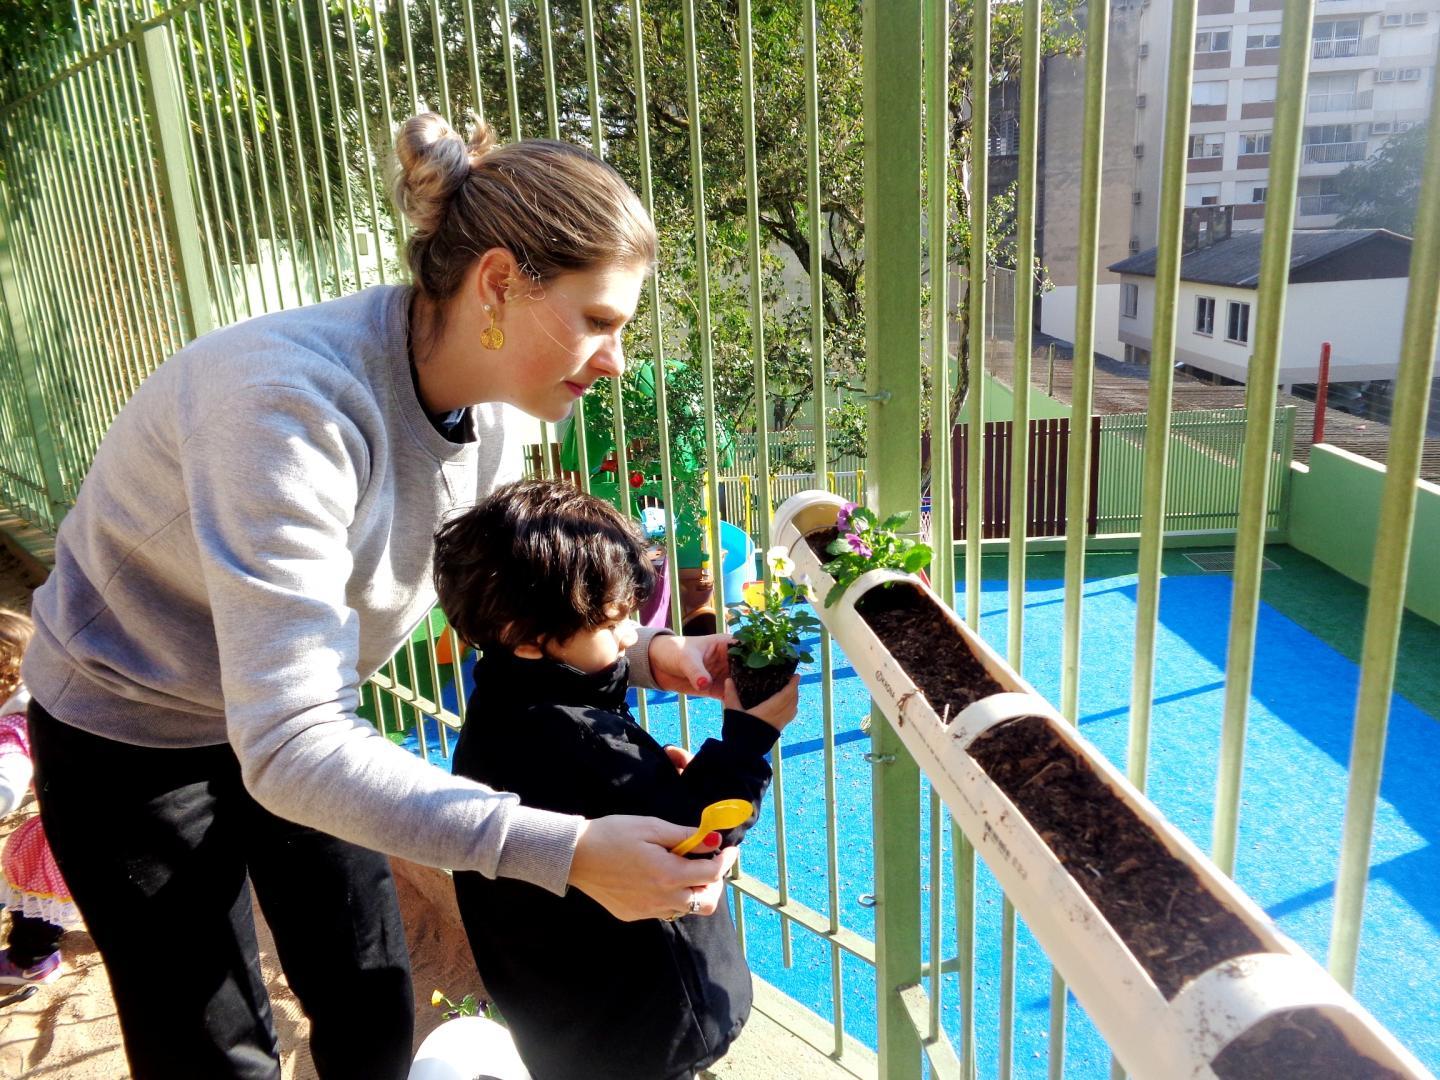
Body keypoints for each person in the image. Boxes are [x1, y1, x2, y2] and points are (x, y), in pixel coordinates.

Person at [22, 113, 735, 1079]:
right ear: (495, 284)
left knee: (370, 1000)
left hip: (305, 713)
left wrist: (650, 657)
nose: (615, 359)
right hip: (133, 726)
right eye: (599, 320)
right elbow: (287, 746)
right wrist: (567, 853)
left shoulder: (497, 405)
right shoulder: (283, 407)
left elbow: (496, 596)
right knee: (211, 1047)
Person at [433, 480, 798, 1080]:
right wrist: (747, 742)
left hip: (571, 1023)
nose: (634, 636)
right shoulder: (574, 737)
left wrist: (660, 780)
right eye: (614, 620)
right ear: (526, 638)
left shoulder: (502, 709)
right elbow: (694, 839)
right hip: (646, 1030)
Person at [0, 609, 81, 987]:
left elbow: (8, 781)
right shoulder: (61, 685)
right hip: (130, 796)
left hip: (75, 818)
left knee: (34, 871)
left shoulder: (14, 725)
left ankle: (31, 960)